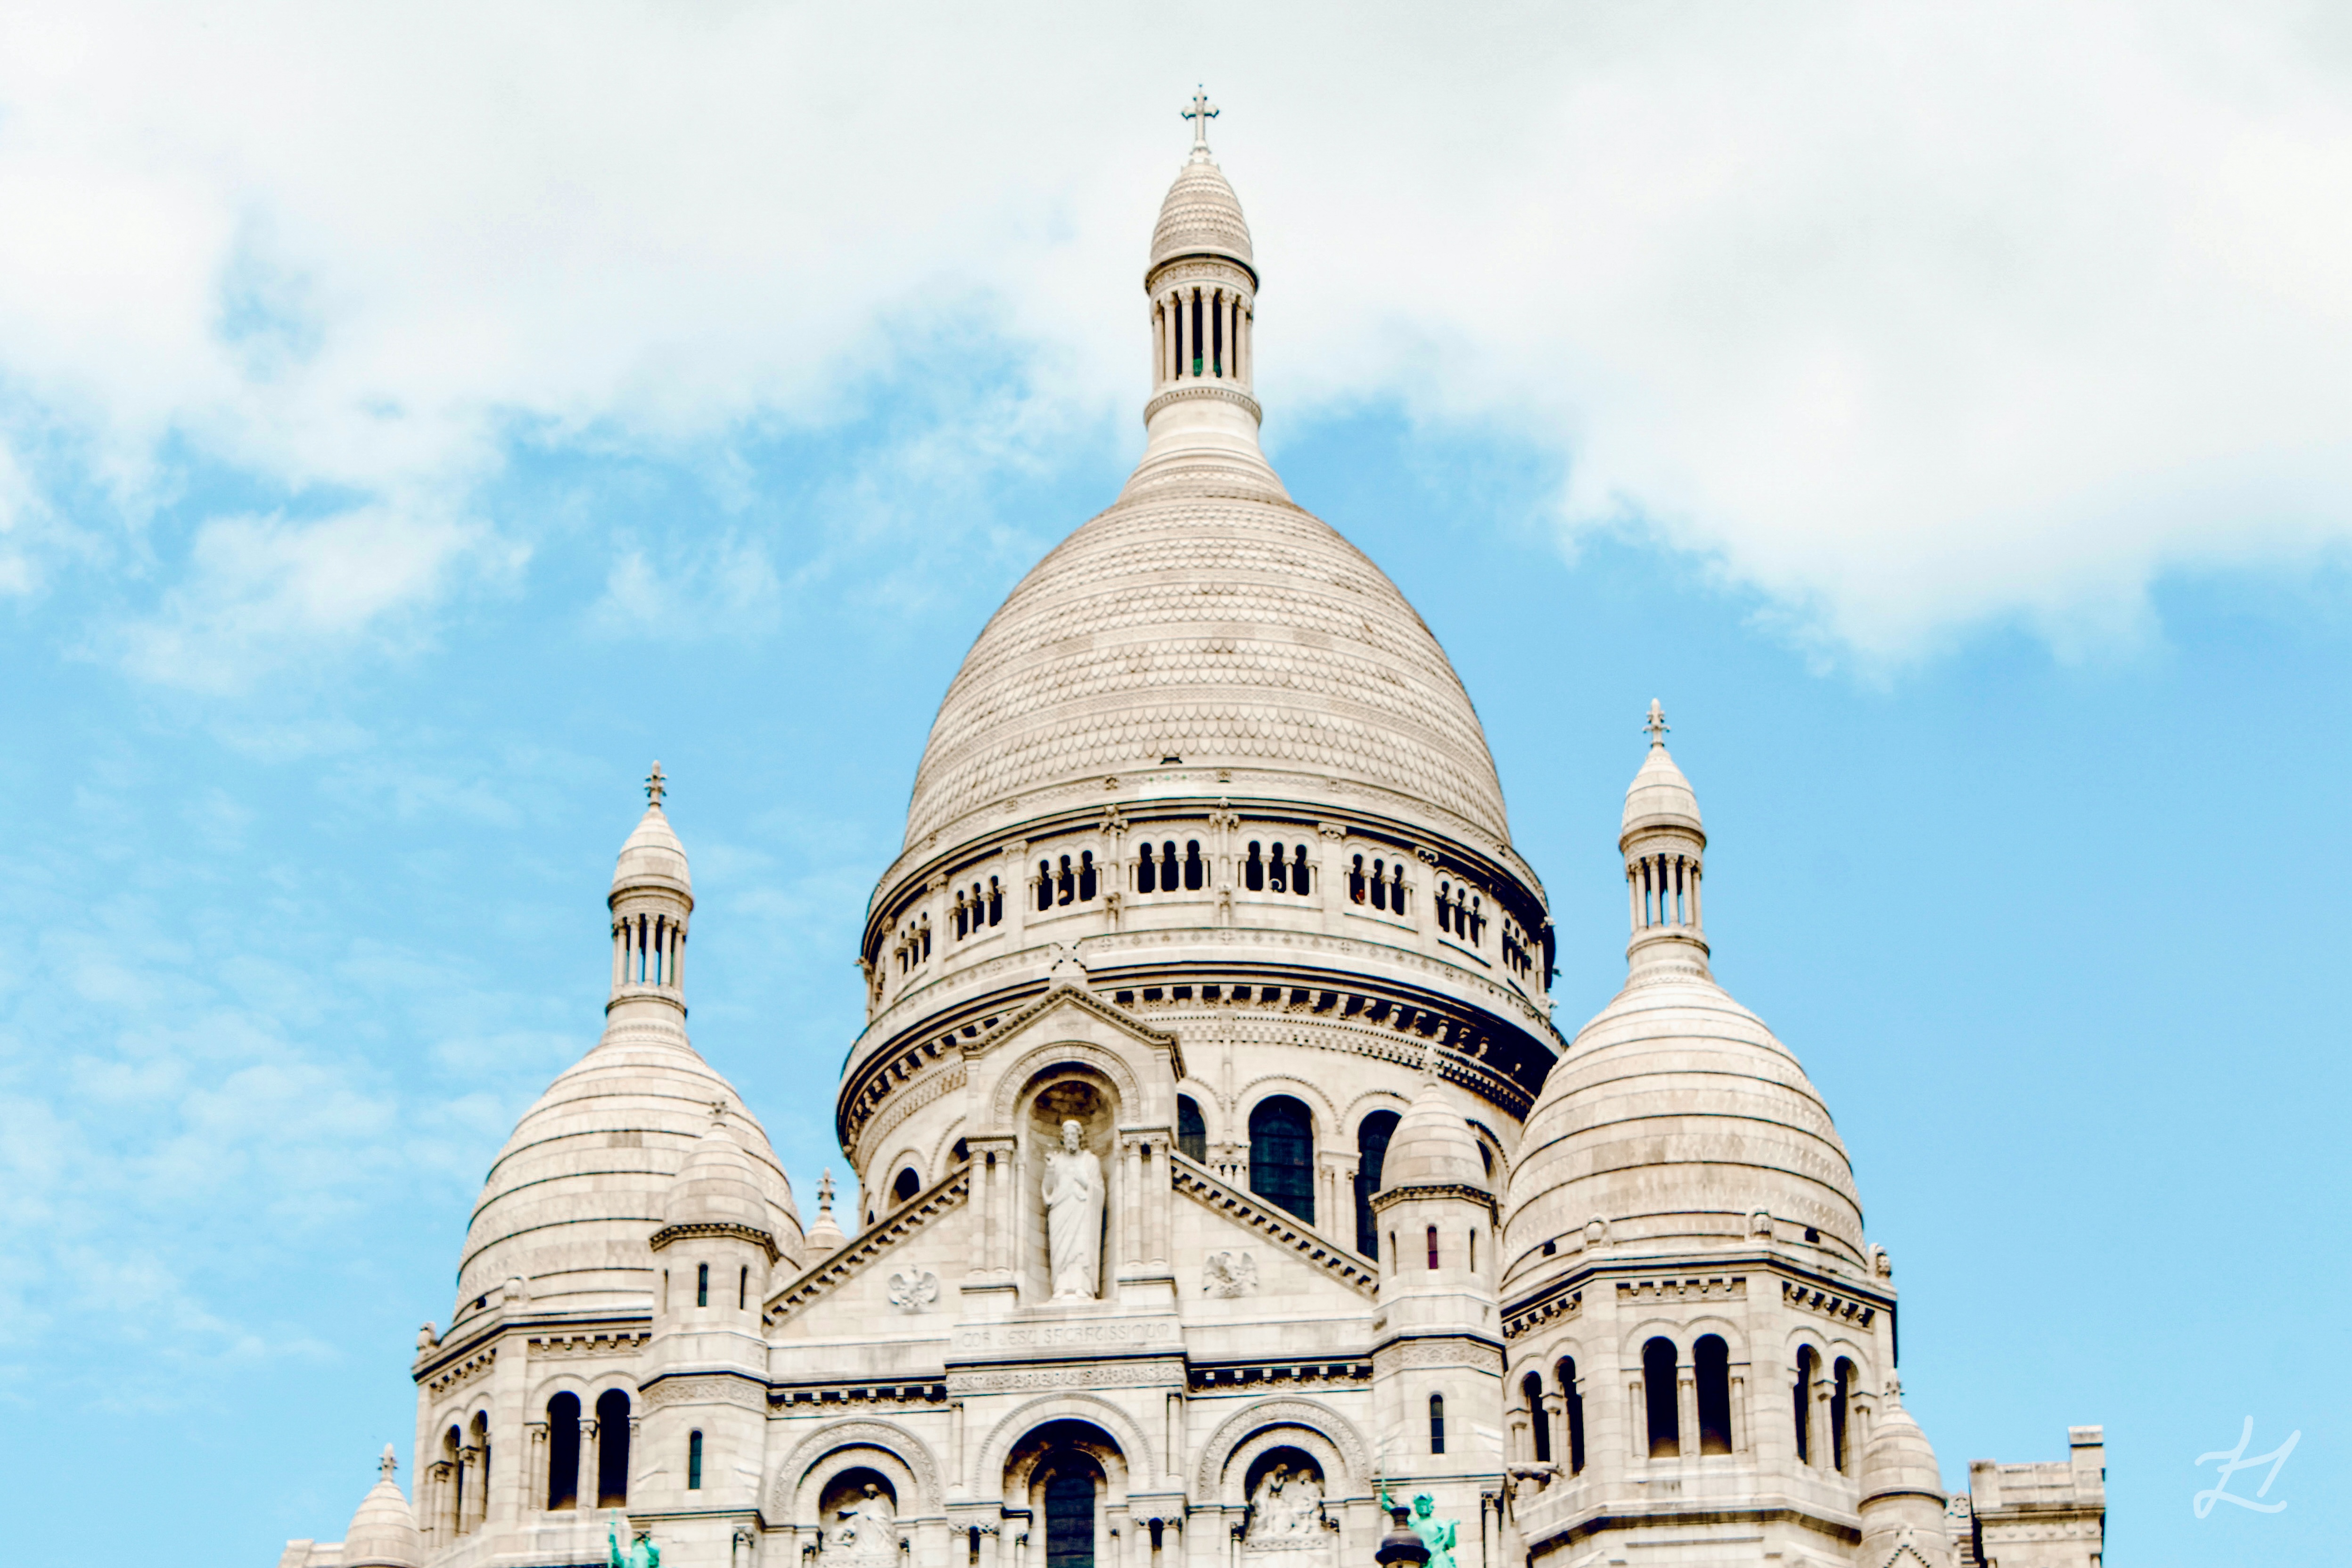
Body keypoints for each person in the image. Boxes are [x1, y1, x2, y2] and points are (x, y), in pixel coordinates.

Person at [1041, 1117, 1104, 1300]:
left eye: (1073, 1135)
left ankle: (1082, 1285)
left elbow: (1099, 1189)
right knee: (1061, 1249)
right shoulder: (1056, 1161)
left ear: (1080, 1137)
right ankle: (1061, 1286)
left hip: (1082, 1209)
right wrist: (1050, 1170)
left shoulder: (1091, 1160)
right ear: (1063, 1138)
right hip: (1060, 1210)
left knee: (1081, 1247)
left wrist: (1086, 1182)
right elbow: (1048, 1190)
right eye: (1067, 1135)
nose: (1070, 1138)